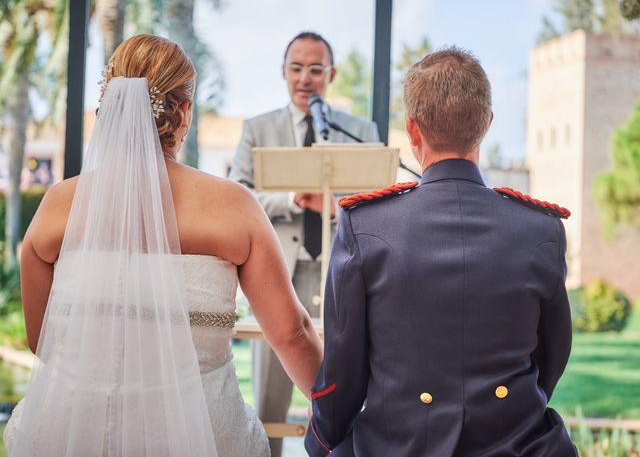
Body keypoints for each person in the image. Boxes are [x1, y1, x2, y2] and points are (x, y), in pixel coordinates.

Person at [3, 34, 322, 456]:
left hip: (74, 435)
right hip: (203, 436)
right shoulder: (232, 207)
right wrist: (338, 417)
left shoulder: (59, 205)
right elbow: (292, 334)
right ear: (184, 112)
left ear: (111, 106)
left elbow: (42, 339)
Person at [305, 47, 577, 456]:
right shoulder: (541, 228)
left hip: (396, 445)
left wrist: (321, 437)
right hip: (519, 443)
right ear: (485, 125)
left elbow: (344, 369)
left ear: (412, 130)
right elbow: (552, 354)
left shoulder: (364, 224)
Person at [228, 31, 379, 456]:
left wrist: (335, 206)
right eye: (296, 68)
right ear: (283, 72)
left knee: (349, 392)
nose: (305, 78)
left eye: (316, 68)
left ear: (331, 74)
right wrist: (294, 198)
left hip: (342, 272)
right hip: (277, 274)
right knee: (270, 400)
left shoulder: (358, 130)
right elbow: (239, 194)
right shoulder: (258, 129)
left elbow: (374, 198)